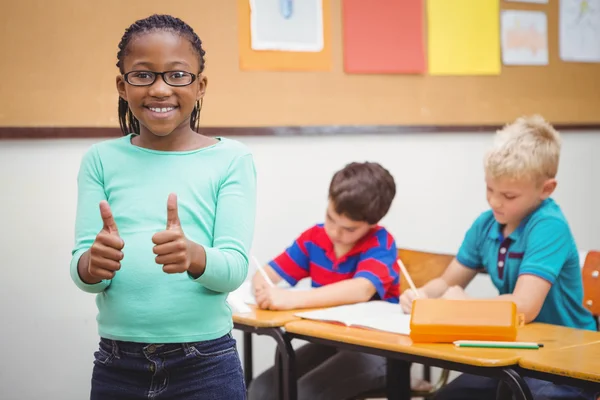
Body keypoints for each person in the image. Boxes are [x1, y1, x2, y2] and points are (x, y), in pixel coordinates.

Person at [70, 14, 256, 400]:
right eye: (142, 75)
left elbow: (234, 270)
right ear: (122, 86)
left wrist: (194, 256)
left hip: (205, 364)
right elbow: (84, 272)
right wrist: (93, 264)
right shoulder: (100, 160)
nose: (159, 89)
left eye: (177, 75)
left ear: (200, 85)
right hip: (117, 364)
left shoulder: (232, 160)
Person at [400, 115, 597, 400]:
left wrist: (463, 308)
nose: (494, 201)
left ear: (546, 189)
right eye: (489, 189)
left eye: (508, 195)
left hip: (566, 360)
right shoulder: (486, 224)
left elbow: (525, 306)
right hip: (517, 351)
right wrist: (423, 295)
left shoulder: (549, 225)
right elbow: (447, 281)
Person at [249, 162, 429, 400]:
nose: (334, 232)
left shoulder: (381, 243)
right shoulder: (315, 237)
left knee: (305, 394)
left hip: (379, 350)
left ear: (373, 223)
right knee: (261, 390)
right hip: (329, 342)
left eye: (349, 229)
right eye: (330, 218)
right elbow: (265, 274)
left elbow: (361, 289)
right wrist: (262, 288)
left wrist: (291, 298)